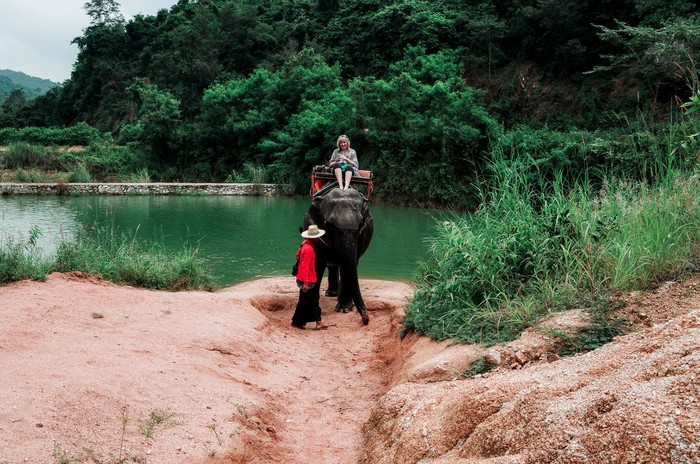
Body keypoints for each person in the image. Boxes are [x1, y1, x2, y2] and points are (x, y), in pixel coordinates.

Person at [291, 224, 330, 330]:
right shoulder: (309, 249)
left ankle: (302, 321)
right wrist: (306, 284)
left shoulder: (304, 245)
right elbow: (304, 268)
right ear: (313, 238)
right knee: (310, 300)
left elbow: (297, 257)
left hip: (305, 279)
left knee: (307, 301)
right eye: (316, 237)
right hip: (307, 280)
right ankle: (313, 322)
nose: (318, 239)